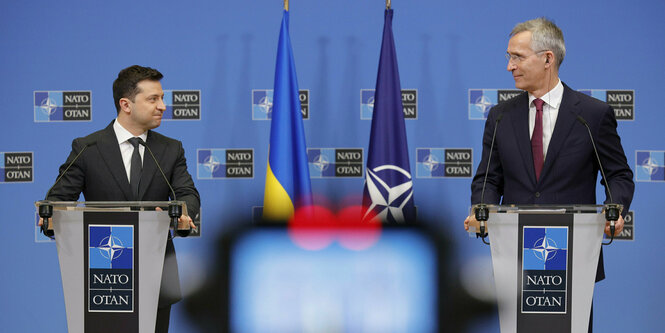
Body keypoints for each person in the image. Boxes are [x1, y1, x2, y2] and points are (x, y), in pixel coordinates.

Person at [463, 18, 634, 331]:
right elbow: (488, 179)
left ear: (547, 58)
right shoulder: (500, 116)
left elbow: (619, 176)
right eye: (508, 57)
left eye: (517, 56)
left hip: (572, 257)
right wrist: (481, 208)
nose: (509, 66)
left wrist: (616, 209)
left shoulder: (592, 115)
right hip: (515, 255)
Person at [45, 65, 200, 332]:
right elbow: (57, 200)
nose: (162, 106)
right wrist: (52, 218)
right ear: (126, 104)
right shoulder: (88, 148)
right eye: (153, 99)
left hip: (157, 276)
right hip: (104, 276)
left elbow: (187, 194)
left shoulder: (170, 149)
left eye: (162, 98)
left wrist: (185, 213)